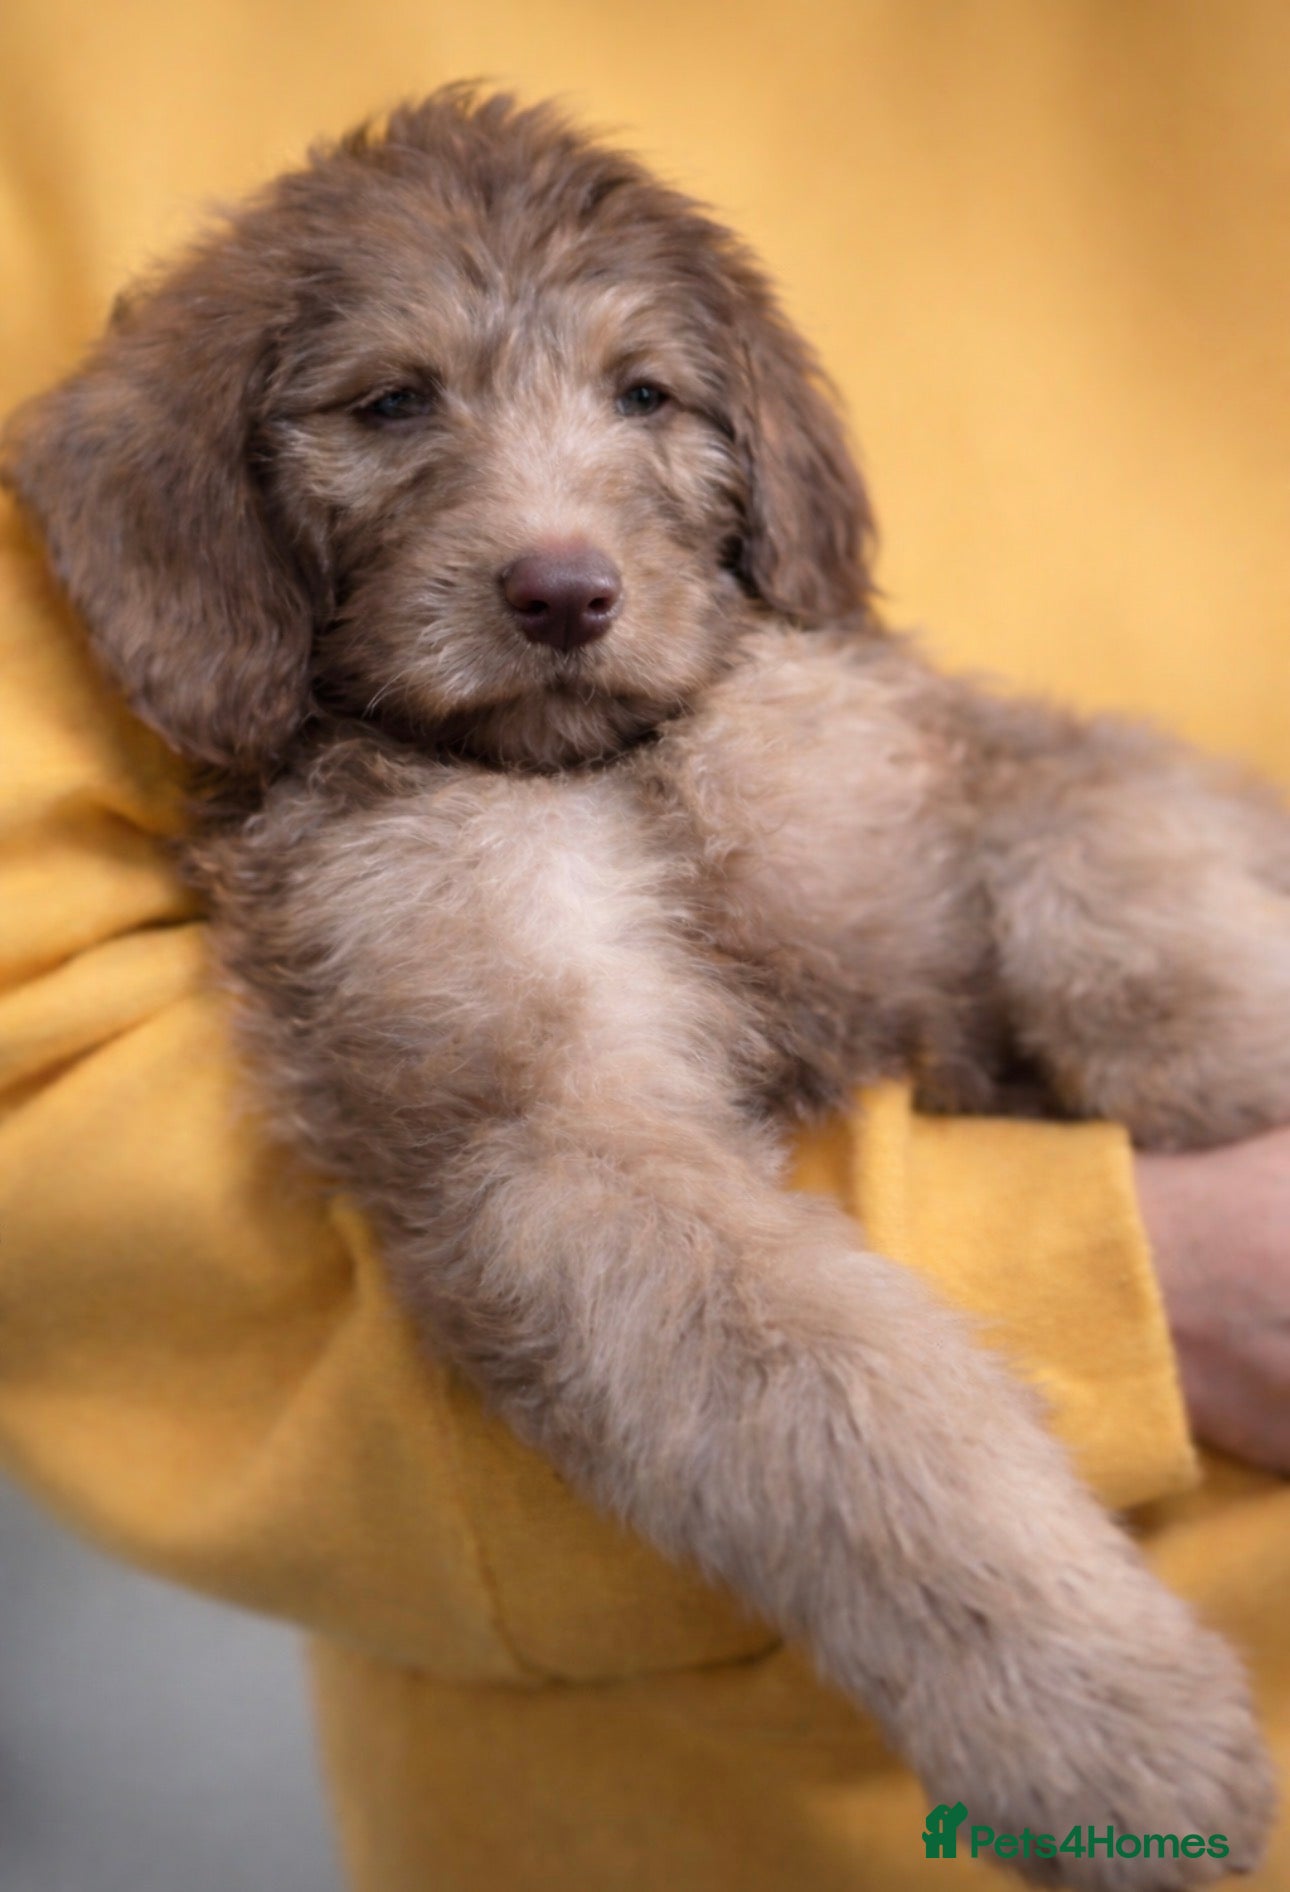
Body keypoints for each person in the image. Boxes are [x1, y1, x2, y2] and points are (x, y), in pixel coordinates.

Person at [1, 3, 1286, 1885]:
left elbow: (1046, 786)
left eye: (639, 394)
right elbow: (565, 1210)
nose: (553, 539)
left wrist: (1198, 1033)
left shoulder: (814, 700)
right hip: (751, 1813)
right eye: (385, 407)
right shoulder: (390, 852)